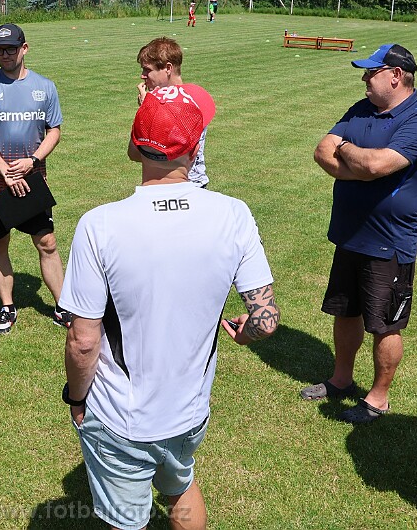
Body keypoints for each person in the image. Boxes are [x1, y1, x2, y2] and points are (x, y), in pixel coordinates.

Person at [62, 84, 278, 530]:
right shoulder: (234, 213)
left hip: (120, 416)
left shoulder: (99, 225)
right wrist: (248, 332)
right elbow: (265, 319)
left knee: (125, 521)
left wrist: (76, 398)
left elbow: (83, 341)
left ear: (134, 144)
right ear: (195, 148)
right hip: (190, 411)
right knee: (180, 484)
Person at [306, 44, 417, 424]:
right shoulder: (360, 108)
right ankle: (341, 379)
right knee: (345, 312)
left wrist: (348, 149)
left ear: (395, 76)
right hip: (350, 235)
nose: (364, 78)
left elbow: (377, 164)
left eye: (371, 72)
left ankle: (378, 399)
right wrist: (360, 168)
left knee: (385, 325)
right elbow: (322, 151)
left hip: (389, 243)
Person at [0, 24, 66, 334]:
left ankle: (63, 307)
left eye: (10, 49)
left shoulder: (44, 87)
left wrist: (33, 161)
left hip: (32, 177)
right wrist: (6, 171)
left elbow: (54, 131)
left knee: (47, 242)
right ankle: (7, 307)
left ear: (24, 48)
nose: (4, 54)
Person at [129, 37, 212, 187]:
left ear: (168, 68)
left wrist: (145, 109)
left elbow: (136, 154)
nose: (142, 75)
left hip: (172, 184)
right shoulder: (196, 97)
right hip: (196, 183)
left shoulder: (171, 108)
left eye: (147, 69)